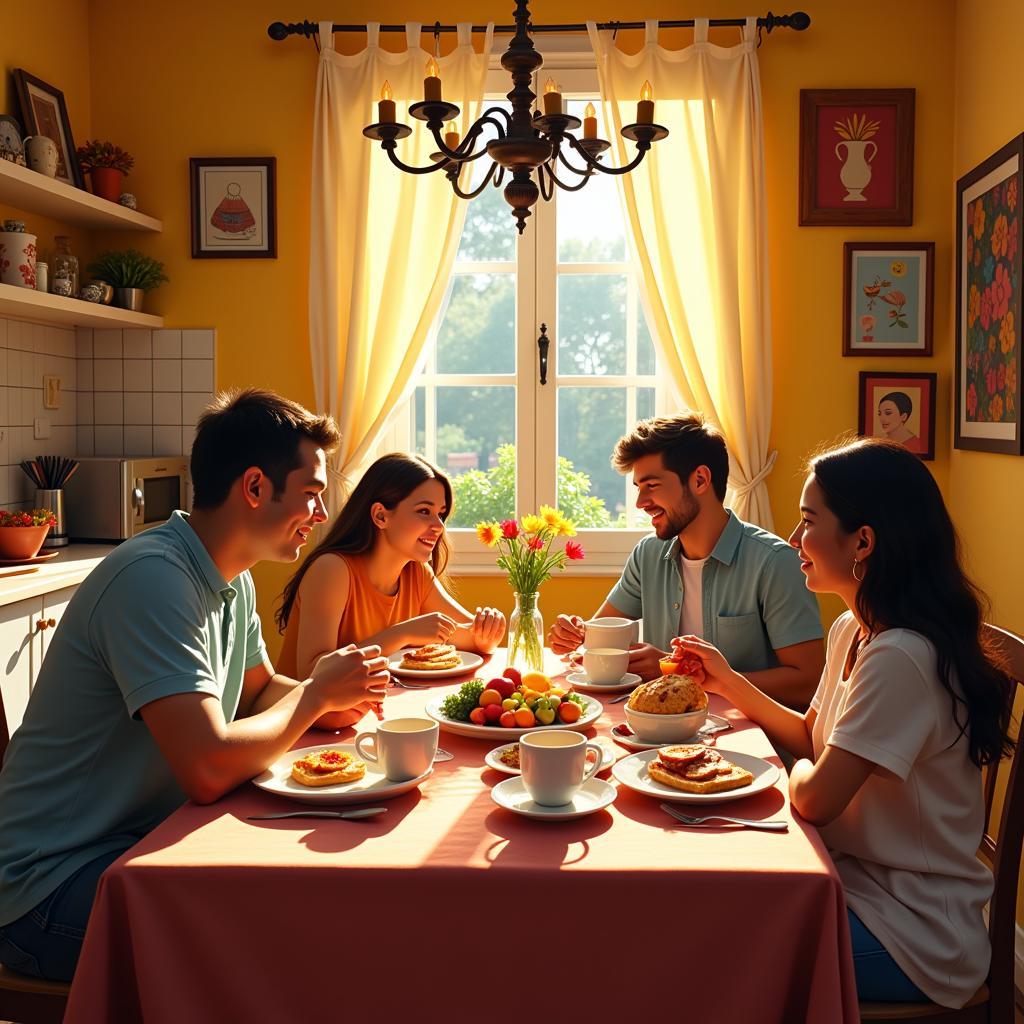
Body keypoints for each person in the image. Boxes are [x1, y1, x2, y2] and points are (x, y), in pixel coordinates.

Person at [0, 389, 390, 982]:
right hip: (46, 888)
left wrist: (335, 700)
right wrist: (313, 696)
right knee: (292, 950)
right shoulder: (153, 579)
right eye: (311, 495)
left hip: (136, 846)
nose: (320, 514)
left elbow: (259, 692)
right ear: (255, 487)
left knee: (318, 912)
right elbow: (207, 769)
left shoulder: (231, 579)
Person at [673, 437, 1014, 1007]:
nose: (793, 540)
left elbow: (814, 800)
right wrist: (727, 679)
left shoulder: (902, 655)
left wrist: (791, 770)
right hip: (855, 887)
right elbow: (810, 737)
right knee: (705, 913)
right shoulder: (852, 632)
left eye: (808, 522)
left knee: (708, 947)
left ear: (863, 541)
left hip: (914, 932)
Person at [548, 413, 824, 708]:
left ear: (700, 480)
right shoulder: (648, 555)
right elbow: (599, 635)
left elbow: (807, 683)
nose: (640, 502)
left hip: (745, 738)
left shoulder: (774, 563)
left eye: (651, 485)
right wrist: (577, 633)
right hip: (657, 731)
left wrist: (680, 671)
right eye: (638, 488)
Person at [276, 452, 505, 723]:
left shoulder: (416, 573)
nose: (439, 527)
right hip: (302, 728)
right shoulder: (332, 569)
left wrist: (486, 633)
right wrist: (402, 634)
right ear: (381, 516)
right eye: (424, 511)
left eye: (441, 514)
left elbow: (467, 635)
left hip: (365, 718)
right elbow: (314, 672)